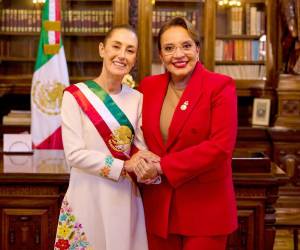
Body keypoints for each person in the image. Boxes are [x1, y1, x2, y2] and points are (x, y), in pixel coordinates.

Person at [136, 17, 238, 250]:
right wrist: (140, 161)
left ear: (197, 49)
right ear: (161, 56)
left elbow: (220, 147)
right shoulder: (148, 87)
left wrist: (162, 166)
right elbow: (134, 135)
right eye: (169, 48)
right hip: (159, 207)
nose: (178, 54)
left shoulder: (220, 86)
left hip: (205, 209)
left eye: (186, 45)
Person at [54, 24, 157, 250]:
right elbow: (74, 155)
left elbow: (140, 148)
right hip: (86, 194)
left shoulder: (137, 98)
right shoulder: (74, 95)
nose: (122, 55)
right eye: (116, 47)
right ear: (102, 49)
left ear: (135, 58)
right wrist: (124, 165)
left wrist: (148, 165)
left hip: (123, 198)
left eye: (130, 50)